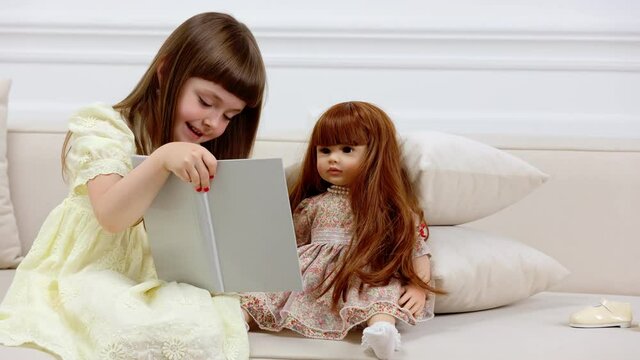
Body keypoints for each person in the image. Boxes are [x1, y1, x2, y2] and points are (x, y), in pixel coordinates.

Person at [0, 12, 266, 360]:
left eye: (230, 115)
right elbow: (111, 215)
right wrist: (161, 159)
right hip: (91, 271)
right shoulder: (105, 128)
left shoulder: (206, 155)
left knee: (208, 318)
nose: (213, 122)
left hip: (160, 278)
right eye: (205, 102)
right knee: (122, 319)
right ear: (166, 72)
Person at [241, 101, 439, 360]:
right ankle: (239, 318)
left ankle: (382, 329)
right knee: (267, 290)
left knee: (382, 288)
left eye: (347, 149)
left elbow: (415, 249)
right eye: (324, 150)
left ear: (376, 154)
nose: (333, 158)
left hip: (361, 273)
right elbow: (291, 246)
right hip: (311, 276)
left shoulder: (387, 209)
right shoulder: (311, 205)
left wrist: (418, 287)